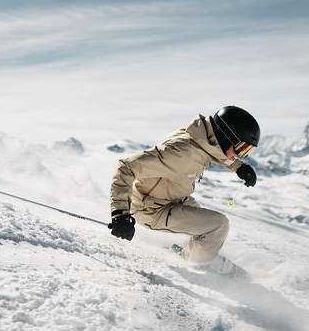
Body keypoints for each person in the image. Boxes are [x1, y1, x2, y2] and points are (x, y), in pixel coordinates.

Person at [108, 106, 260, 263]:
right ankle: (198, 265)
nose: (241, 154)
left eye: (246, 150)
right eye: (241, 148)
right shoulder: (181, 151)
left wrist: (238, 166)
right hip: (152, 209)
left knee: (207, 228)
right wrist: (120, 214)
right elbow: (126, 166)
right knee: (218, 226)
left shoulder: (201, 138)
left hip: (171, 198)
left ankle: (195, 254)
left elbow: (214, 149)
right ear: (226, 136)